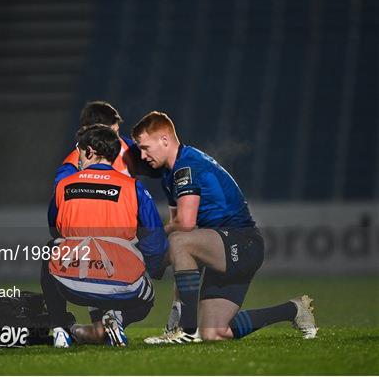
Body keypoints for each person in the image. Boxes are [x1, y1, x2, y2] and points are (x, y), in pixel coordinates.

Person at [131, 112, 317, 344]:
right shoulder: (171, 174)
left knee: (179, 242)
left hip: (241, 243)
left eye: (146, 147)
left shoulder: (186, 167)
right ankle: (293, 310)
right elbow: (183, 230)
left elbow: (185, 225)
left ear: (165, 140)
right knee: (215, 333)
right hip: (224, 248)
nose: (142, 155)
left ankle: (186, 331)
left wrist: (148, 244)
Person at [43, 124, 167, 347]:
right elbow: (156, 243)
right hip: (121, 286)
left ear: (89, 152)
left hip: (69, 285)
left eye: (79, 152)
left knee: (50, 248)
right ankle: (117, 319)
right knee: (147, 298)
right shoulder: (133, 188)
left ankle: (60, 328)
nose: (78, 159)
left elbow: (54, 229)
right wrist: (152, 268)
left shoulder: (64, 185)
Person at [54, 100, 159, 186]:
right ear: (92, 131)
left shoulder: (127, 147)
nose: (116, 138)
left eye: (117, 131)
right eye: (111, 133)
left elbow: (160, 168)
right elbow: (61, 199)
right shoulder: (72, 165)